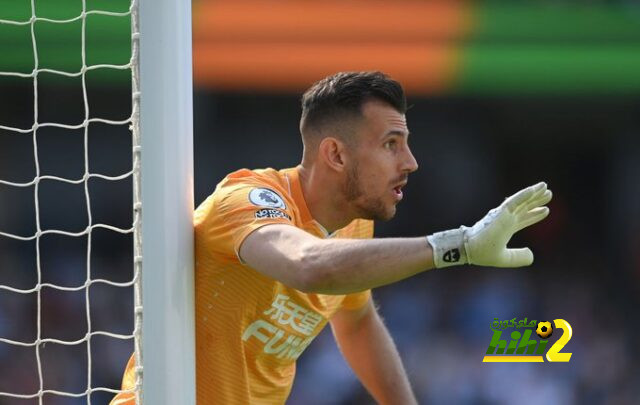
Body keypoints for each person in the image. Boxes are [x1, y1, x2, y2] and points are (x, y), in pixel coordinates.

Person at [111, 71, 552, 404]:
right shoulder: (248, 200)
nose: (412, 162)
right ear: (336, 154)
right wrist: (459, 246)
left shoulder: (355, 225)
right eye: (391, 144)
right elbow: (310, 265)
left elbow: (358, 321)